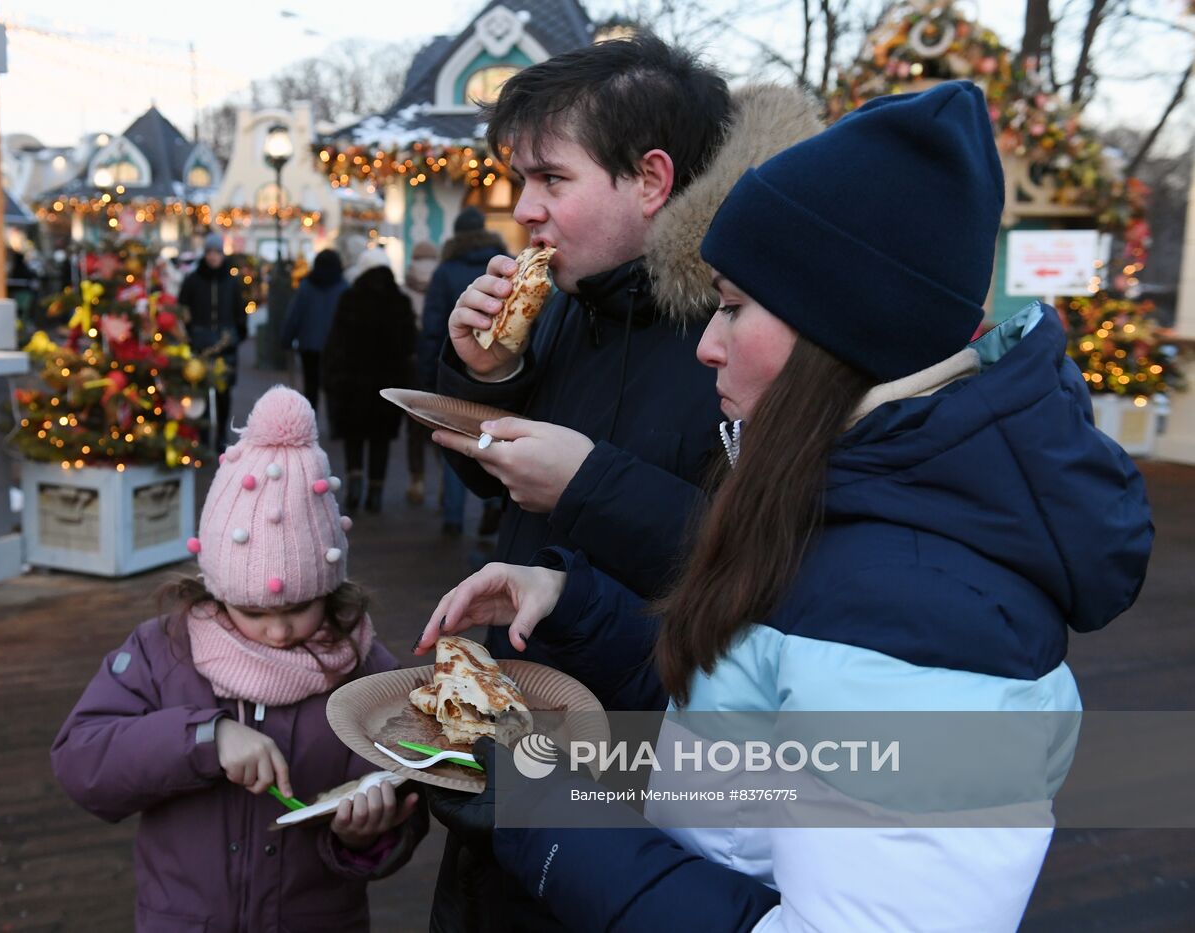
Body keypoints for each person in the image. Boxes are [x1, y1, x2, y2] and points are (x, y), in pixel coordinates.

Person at [417, 82, 1154, 931]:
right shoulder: (846, 502)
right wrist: (586, 610)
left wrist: (544, 817)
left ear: (837, 330)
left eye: (732, 306)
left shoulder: (925, 618)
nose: (706, 343)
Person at [432, 35, 821, 667]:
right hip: (529, 696)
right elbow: (492, 485)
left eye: (552, 178)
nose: (525, 208)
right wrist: (490, 375)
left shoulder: (759, 328)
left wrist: (587, 486)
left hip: (656, 736)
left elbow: (773, 562)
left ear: (650, 180)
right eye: (521, 180)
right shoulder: (568, 299)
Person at [52, 386, 428, 932]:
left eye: (300, 607)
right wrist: (205, 740)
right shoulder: (163, 652)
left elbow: (405, 790)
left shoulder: (366, 671)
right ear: (217, 589)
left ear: (331, 585)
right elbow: (81, 762)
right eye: (253, 611)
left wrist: (369, 836)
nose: (277, 631)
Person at [422, 207, 509, 536]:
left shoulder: (445, 271)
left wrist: (430, 374)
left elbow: (432, 327)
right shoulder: (504, 265)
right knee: (493, 439)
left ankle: (454, 517)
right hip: (502, 371)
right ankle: (492, 508)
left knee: (453, 442)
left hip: (455, 369)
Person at [322, 251, 417, 514]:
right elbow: (409, 344)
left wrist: (331, 376)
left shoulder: (350, 298)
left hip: (353, 384)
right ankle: (376, 493)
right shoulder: (400, 301)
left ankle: (354, 486)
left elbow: (335, 343)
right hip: (388, 384)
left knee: (354, 436)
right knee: (381, 439)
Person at [178, 232, 248, 449]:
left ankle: (221, 435)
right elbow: (183, 308)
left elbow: (240, 310)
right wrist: (190, 333)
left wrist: (237, 333)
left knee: (223, 392)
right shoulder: (193, 280)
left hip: (225, 342)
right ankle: (203, 434)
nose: (213, 257)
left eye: (217, 252)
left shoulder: (231, 281)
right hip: (200, 341)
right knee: (201, 392)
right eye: (210, 252)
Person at [282, 248, 346, 409]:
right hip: (336, 346)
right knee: (334, 387)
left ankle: (310, 422)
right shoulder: (343, 288)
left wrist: (286, 337)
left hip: (309, 344)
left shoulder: (306, 286)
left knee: (311, 386)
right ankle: (335, 428)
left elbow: (295, 314)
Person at [403, 240, 441, 506]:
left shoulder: (405, 283)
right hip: (438, 359)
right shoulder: (444, 279)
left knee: (414, 425)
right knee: (442, 422)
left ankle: (417, 480)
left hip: (412, 359)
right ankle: (444, 483)